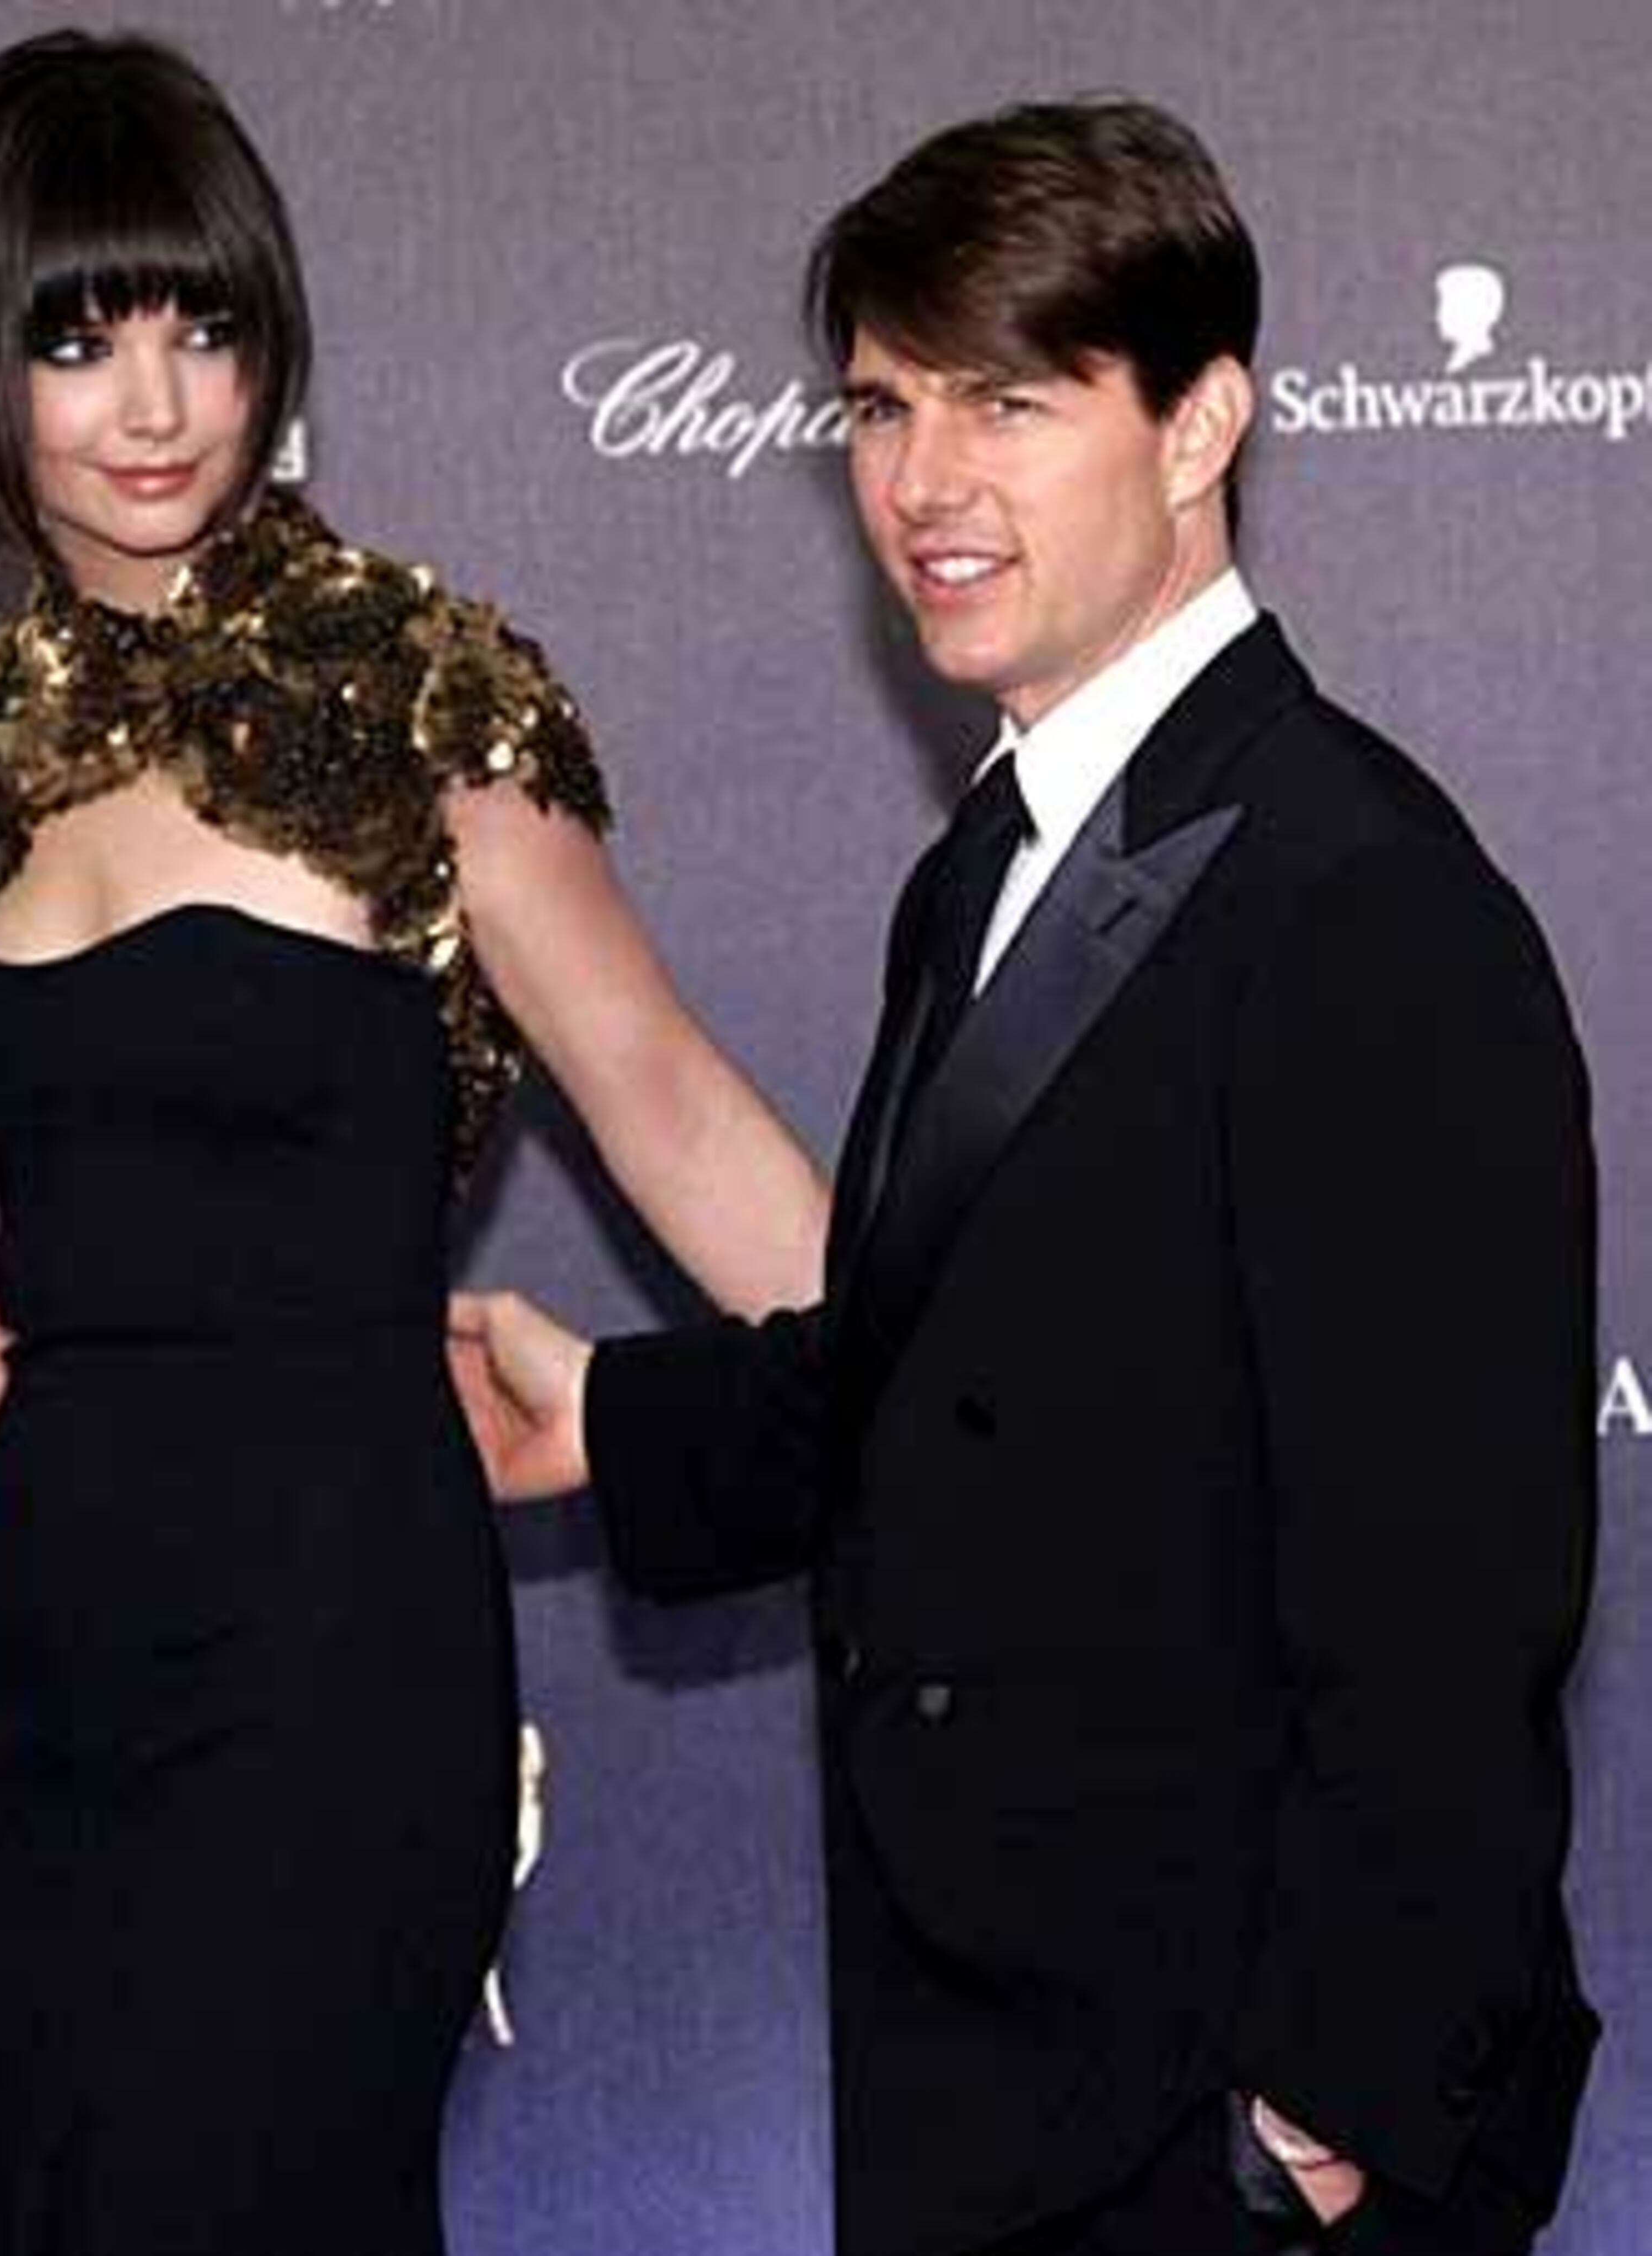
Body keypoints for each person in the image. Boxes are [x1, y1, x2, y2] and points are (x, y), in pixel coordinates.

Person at [453, 97, 1598, 2256]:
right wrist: (609, 1412)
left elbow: (1459, 1584)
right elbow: (964, 1370)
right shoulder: (989, 859)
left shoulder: (1362, 895)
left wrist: (1318, 2117)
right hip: (1001, 2070)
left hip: (1222, 2123)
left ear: (1200, 424)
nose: (923, 486)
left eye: (1009, 399)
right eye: (884, 408)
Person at [0, 30, 827, 2256]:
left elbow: (661, 1098)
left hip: (328, 1658)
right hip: (69, 1665)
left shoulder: (414, 695)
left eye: (207, 326)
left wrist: (960, 1393)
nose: (157, 401)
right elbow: (30, 1297)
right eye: (78, 339)